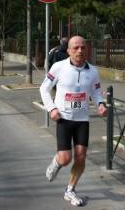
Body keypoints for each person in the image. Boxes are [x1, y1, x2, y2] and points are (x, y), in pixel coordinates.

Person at [39, 36, 107, 207]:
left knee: (81, 157)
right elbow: (44, 89)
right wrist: (52, 108)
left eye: (83, 47)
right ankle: (57, 163)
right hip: (64, 119)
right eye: (76, 48)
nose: (80, 51)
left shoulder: (92, 71)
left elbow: (96, 92)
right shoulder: (58, 67)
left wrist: (100, 104)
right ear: (68, 50)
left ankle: (70, 190)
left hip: (82, 119)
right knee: (65, 159)